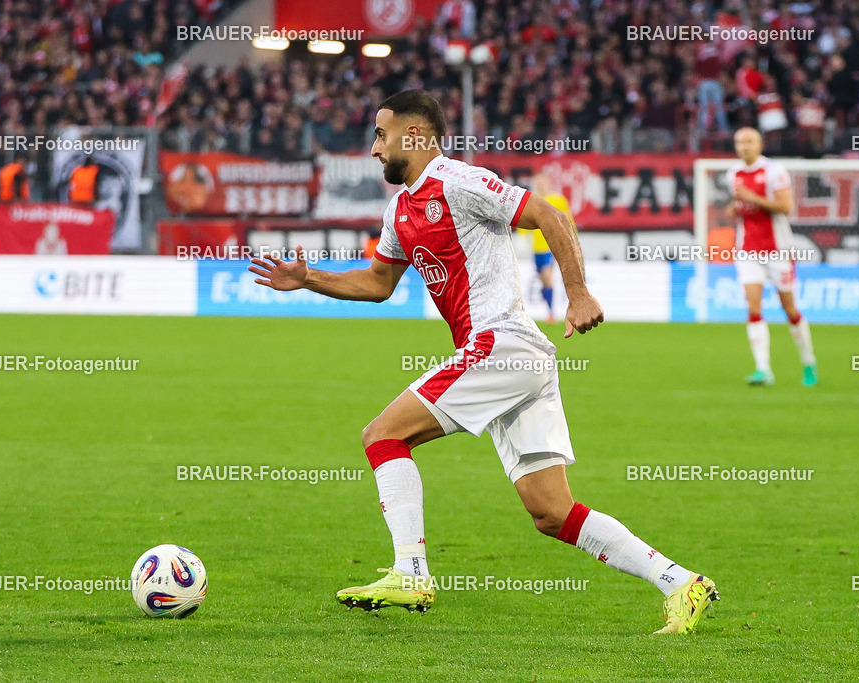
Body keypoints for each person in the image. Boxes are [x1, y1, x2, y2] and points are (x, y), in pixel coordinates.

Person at [249, 90, 719, 634]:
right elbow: (377, 284)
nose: (375, 148)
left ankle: (410, 571)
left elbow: (548, 213)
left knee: (382, 435)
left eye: (382, 134)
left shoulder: (459, 181)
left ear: (416, 136)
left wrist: (579, 292)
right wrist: (311, 280)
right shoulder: (399, 211)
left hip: (502, 344)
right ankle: (681, 583)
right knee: (551, 512)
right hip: (513, 361)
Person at [726, 127, 817, 386]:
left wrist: (753, 198)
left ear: (760, 144)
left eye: (748, 141)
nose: (743, 146)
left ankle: (808, 362)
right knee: (753, 307)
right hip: (747, 250)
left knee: (789, 308)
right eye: (739, 141)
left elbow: (786, 207)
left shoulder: (774, 171)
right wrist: (736, 208)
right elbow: (744, 207)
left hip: (778, 250)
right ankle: (763, 369)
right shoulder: (732, 174)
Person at [517, 173, 572, 323]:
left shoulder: (557, 200)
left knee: (548, 277)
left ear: (548, 183)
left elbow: (567, 219)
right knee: (543, 280)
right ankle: (549, 309)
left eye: (543, 182)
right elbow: (524, 220)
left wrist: (572, 238)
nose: (540, 185)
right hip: (536, 249)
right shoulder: (531, 200)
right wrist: (521, 236)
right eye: (538, 182)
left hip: (551, 246)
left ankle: (551, 313)